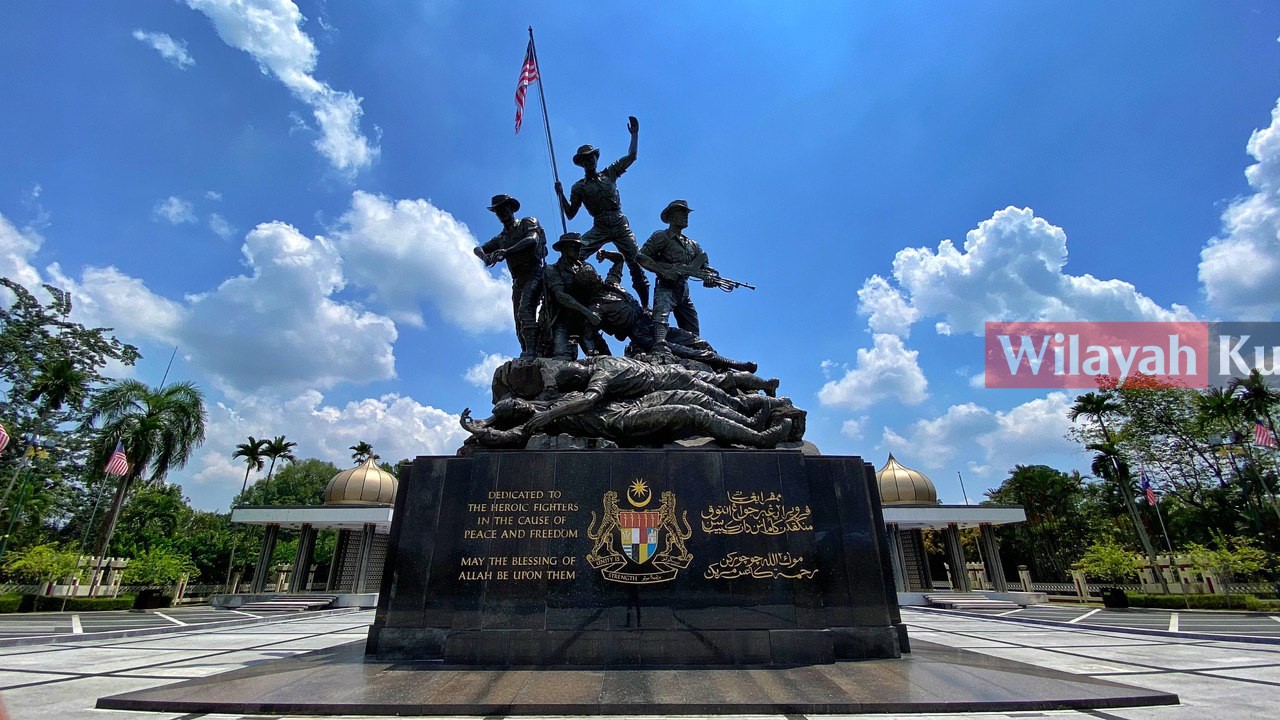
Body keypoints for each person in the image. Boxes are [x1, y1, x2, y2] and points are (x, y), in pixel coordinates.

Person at [460, 390, 792, 449]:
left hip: (629, 405)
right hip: (622, 423)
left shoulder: (549, 403)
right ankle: (759, 438)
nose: (520, 403)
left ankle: (750, 421)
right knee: (691, 413)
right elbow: (509, 438)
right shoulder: (538, 423)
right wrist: (481, 429)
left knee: (691, 397)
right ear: (516, 413)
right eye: (514, 406)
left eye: (516, 399)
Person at [555, 116, 651, 309]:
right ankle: (577, 295)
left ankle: (646, 307)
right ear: (581, 163)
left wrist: (634, 135)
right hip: (600, 225)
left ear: (596, 158)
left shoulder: (610, 173)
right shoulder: (579, 187)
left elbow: (632, 157)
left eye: (592, 157)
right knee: (574, 254)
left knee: (637, 261)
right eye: (586, 159)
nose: (590, 160)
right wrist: (561, 195)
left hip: (619, 222)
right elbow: (571, 214)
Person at [637, 199, 715, 354]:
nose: (686, 217)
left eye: (686, 214)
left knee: (691, 324)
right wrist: (663, 271)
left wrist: (709, 278)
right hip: (666, 285)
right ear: (671, 217)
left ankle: (694, 350)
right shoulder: (662, 236)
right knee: (661, 314)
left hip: (683, 289)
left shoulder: (692, 245)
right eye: (682, 214)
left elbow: (704, 268)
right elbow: (641, 257)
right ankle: (659, 344)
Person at [473, 194, 545, 358]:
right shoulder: (501, 238)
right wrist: (485, 257)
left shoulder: (527, 222)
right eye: (498, 211)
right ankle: (527, 350)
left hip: (534, 273)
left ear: (512, 208)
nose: (502, 213)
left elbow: (532, 240)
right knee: (518, 322)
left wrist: (506, 252)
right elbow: (478, 249)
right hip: (518, 280)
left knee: (525, 310)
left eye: (504, 208)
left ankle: (532, 352)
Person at [541, 232, 609, 359]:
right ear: (564, 249)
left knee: (605, 356)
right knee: (561, 356)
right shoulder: (552, 270)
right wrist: (588, 313)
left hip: (585, 321)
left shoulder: (585, 268)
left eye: (579, 247)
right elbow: (561, 296)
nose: (578, 250)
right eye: (574, 247)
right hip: (563, 320)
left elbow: (598, 291)